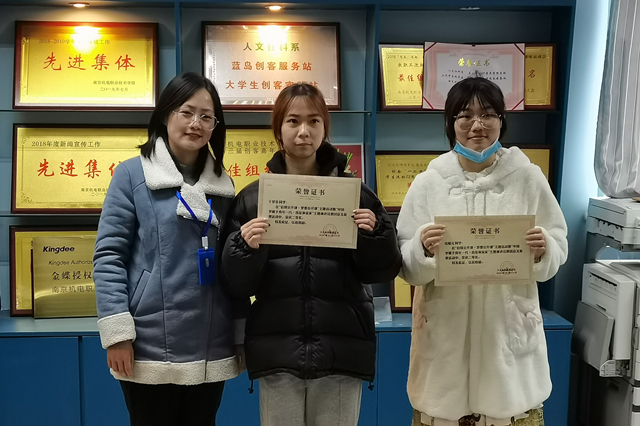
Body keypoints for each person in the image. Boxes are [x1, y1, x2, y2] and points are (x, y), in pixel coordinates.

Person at [220, 83, 402, 426]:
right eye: (293, 121)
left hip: (341, 350)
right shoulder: (253, 199)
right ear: (278, 129)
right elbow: (236, 284)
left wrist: (375, 234)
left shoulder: (356, 194)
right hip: (278, 351)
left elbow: (382, 272)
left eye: (314, 121)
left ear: (325, 128)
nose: (304, 131)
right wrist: (244, 247)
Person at [397, 77, 568, 426]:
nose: (477, 125)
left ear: (501, 120)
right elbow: (405, 264)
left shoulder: (528, 178)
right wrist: (422, 249)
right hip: (443, 349)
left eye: (488, 114)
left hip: (509, 346)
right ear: (451, 123)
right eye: (465, 115)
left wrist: (544, 249)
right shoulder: (429, 183)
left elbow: (558, 242)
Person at [93, 72, 243, 426]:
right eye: (186, 112)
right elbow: (109, 257)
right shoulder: (132, 175)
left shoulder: (223, 184)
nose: (196, 124)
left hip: (211, 342)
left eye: (206, 116)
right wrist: (117, 335)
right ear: (165, 114)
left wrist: (239, 334)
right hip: (146, 343)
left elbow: (232, 267)